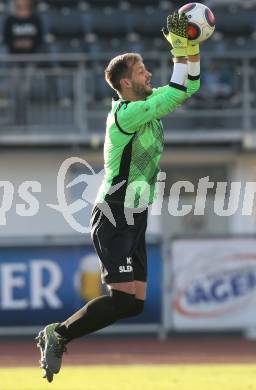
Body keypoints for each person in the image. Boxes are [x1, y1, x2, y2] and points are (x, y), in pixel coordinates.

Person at [36, 11, 201, 383]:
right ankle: (57, 334)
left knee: (133, 304)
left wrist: (191, 51)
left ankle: (59, 334)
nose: (149, 75)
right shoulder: (126, 114)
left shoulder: (145, 107)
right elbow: (176, 91)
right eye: (142, 70)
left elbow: (188, 87)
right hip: (114, 212)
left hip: (135, 212)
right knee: (124, 299)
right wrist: (179, 50)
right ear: (126, 83)